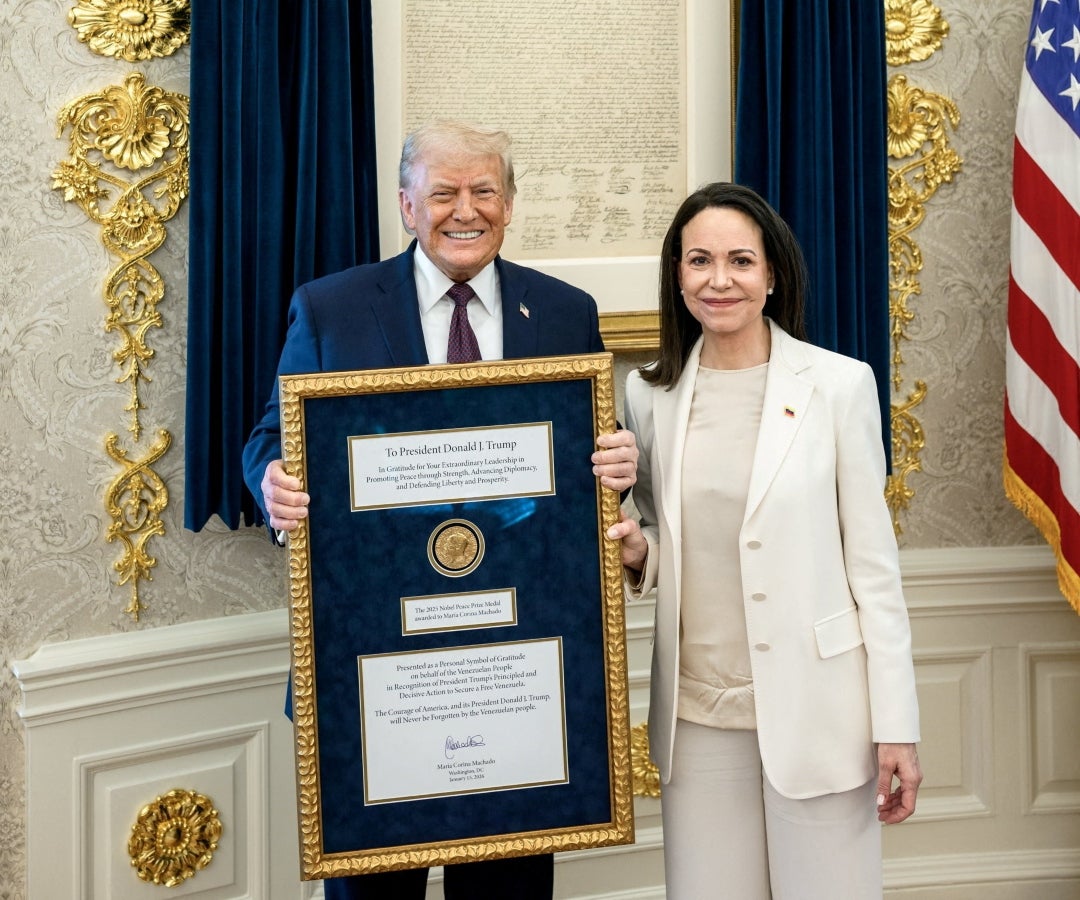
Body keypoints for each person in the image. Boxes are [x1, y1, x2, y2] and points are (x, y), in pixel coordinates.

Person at [242, 121, 638, 900]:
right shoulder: (332, 307)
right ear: (406, 205)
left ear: (510, 203)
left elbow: (581, 467)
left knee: (508, 884)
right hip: (374, 654)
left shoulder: (563, 311)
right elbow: (270, 438)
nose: (467, 210)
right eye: (445, 193)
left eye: (485, 191)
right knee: (372, 888)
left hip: (518, 656)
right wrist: (273, 482)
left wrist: (617, 468)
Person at [617, 182, 921, 899]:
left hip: (821, 712)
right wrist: (639, 552)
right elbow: (667, 533)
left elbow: (874, 571)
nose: (719, 280)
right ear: (678, 276)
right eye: (699, 261)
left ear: (772, 274)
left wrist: (897, 726)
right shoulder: (647, 394)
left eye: (740, 261)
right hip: (697, 717)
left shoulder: (839, 387)